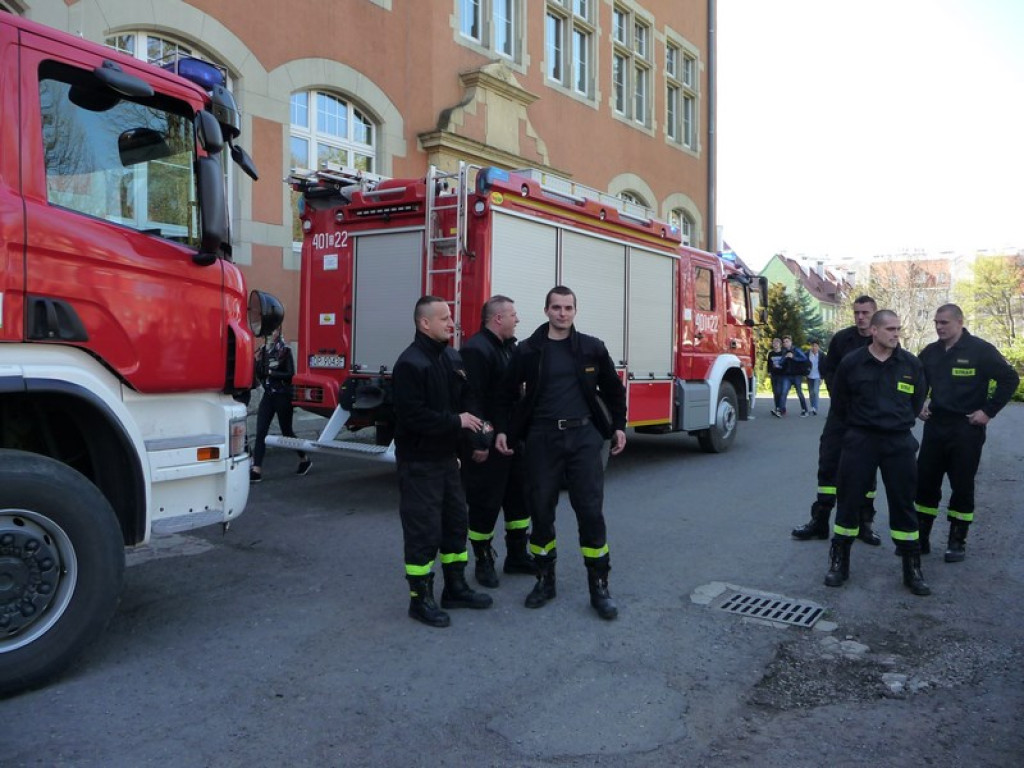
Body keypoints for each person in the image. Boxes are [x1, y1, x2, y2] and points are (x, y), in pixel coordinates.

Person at [494, 286, 627, 620]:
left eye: (568, 308)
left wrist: (618, 426)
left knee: (591, 513)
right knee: (540, 513)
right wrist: (505, 431)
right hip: (541, 438)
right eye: (556, 307)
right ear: (546, 310)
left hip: (584, 437)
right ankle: (544, 579)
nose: (562, 313)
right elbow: (504, 394)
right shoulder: (528, 351)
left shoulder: (591, 348)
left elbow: (613, 389)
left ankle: (599, 586)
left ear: (575, 311)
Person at [392, 296, 493, 628]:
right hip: (420, 463)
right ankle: (420, 600)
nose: (452, 323)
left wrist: (478, 433)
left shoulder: (452, 357)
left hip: (449, 461)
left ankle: (456, 588)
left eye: (451, 317)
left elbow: (467, 400)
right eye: (445, 318)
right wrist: (456, 422)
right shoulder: (410, 364)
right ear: (424, 324)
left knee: (454, 526)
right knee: (424, 532)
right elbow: (412, 417)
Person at [824, 310, 930, 595]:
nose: (896, 334)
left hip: (898, 443)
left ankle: (912, 567)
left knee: (904, 503)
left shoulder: (911, 364)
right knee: (848, 500)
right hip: (861, 441)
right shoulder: (852, 363)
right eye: (890, 329)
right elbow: (841, 403)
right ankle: (839, 562)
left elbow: (916, 400)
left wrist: (896, 423)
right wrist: (858, 429)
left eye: (898, 329)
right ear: (874, 331)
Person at [914, 304, 1020, 561]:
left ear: (960, 322)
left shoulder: (980, 350)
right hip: (936, 427)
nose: (939, 327)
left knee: (961, 485)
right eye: (936, 322)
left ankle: (957, 541)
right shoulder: (930, 352)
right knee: (925, 483)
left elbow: (1010, 379)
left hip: (966, 428)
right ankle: (921, 537)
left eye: (944, 323)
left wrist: (988, 411)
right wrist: (917, 405)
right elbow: (914, 379)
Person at [791, 295, 881, 544]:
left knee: (867, 474)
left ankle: (865, 524)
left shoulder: (882, 340)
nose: (860, 317)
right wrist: (839, 396)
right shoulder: (842, 339)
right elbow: (830, 370)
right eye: (857, 312)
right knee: (828, 466)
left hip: (868, 420)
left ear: (875, 314)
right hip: (840, 416)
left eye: (865, 312)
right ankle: (820, 521)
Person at [460, 295, 536, 587]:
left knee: (519, 501)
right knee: (485, 504)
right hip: (490, 444)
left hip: (513, 440)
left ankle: (516, 556)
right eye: (513, 315)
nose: (517, 320)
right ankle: (483, 561)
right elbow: (473, 400)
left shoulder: (508, 348)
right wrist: (480, 441)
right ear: (497, 319)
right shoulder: (477, 351)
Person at [250, 328, 311, 483]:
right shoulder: (263, 350)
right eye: (268, 332)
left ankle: (304, 458)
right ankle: (256, 470)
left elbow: (290, 374)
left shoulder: (285, 350)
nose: (270, 334)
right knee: (261, 431)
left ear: (278, 332)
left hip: (283, 395)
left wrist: (271, 373)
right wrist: (256, 362)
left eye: (273, 331)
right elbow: (259, 374)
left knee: (287, 431)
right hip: (268, 395)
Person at [778, 335, 809, 416]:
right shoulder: (784, 351)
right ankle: (781, 410)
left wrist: (793, 357)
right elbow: (780, 362)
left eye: (787, 341)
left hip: (797, 375)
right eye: (784, 342)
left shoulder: (796, 350)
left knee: (799, 392)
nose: (785, 343)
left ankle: (805, 410)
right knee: (784, 392)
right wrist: (785, 357)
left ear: (791, 342)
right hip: (787, 375)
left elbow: (804, 358)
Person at [766, 338, 786, 417]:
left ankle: (781, 408)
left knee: (779, 392)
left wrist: (782, 368)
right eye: (774, 343)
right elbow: (769, 363)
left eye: (776, 343)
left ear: (780, 344)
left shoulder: (783, 353)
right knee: (775, 392)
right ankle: (777, 407)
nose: (775, 344)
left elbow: (786, 363)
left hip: (781, 374)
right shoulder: (771, 353)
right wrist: (769, 372)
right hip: (774, 374)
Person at [805, 340, 825, 415]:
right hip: (809, 375)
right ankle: (812, 406)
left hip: (818, 376)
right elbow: (804, 364)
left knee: (815, 392)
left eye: (816, 346)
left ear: (818, 347)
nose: (814, 347)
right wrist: (805, 372)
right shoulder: (807, 354)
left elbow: (824, 366)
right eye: (813, 346)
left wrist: (822, 377)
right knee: (811, 393)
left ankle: (815, 408)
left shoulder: (822, 355)